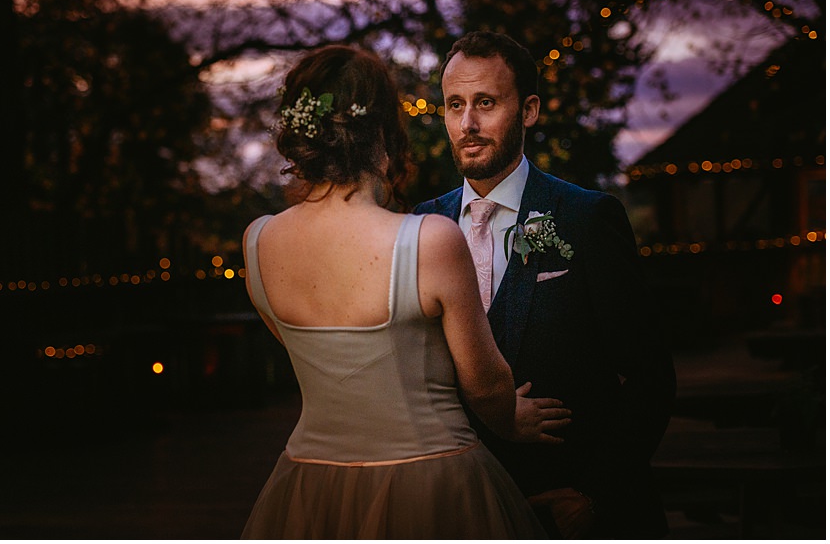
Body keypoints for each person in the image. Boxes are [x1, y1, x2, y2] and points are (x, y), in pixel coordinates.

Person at [240, 44, 567, 539]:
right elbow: (483, 380)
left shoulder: (258, 240)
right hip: (428, 477)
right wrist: (510, 419)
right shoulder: (427, 238)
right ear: (384, 131)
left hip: (310, 480)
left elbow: (319, 356)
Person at [413, 31, 676, 538]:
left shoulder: (587, 218)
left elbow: (650, 377)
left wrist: (595, 494)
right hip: (461, 508)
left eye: (486, 103)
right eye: (454, 105)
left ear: (529, 110)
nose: (467, 123)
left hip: (571, 506)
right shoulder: (421, 228)